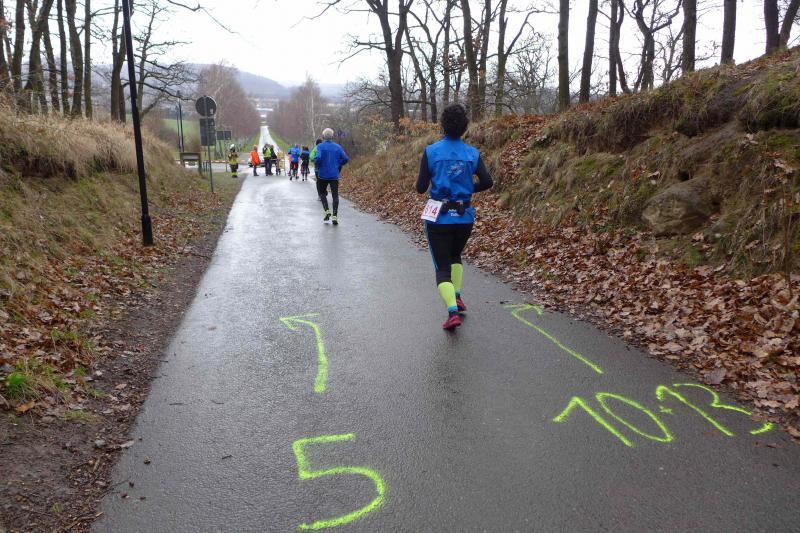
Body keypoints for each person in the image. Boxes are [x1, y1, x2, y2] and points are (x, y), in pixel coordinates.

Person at [415, 103, 493, 331]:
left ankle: (452, 312)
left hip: (439, 218)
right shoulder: (472, 153)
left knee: (442, 267)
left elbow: (420, 188)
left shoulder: (431, 152)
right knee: (456, 255)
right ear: (464, 127)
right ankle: (457, 297)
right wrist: (468, 189)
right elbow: (487, 182)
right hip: (464, 216)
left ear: (443, 125)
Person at [314, 128, 349, 225]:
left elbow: (318, 158)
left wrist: (317, 164)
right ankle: (334, 216)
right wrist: (338, 164)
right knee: (335, 195)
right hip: (334, 175)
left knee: (322, 193)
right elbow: (345, 158)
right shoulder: (338, 147)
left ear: (323, 136)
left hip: (322, 175)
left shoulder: (320, 146)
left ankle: (327, 211)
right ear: (332, 136)